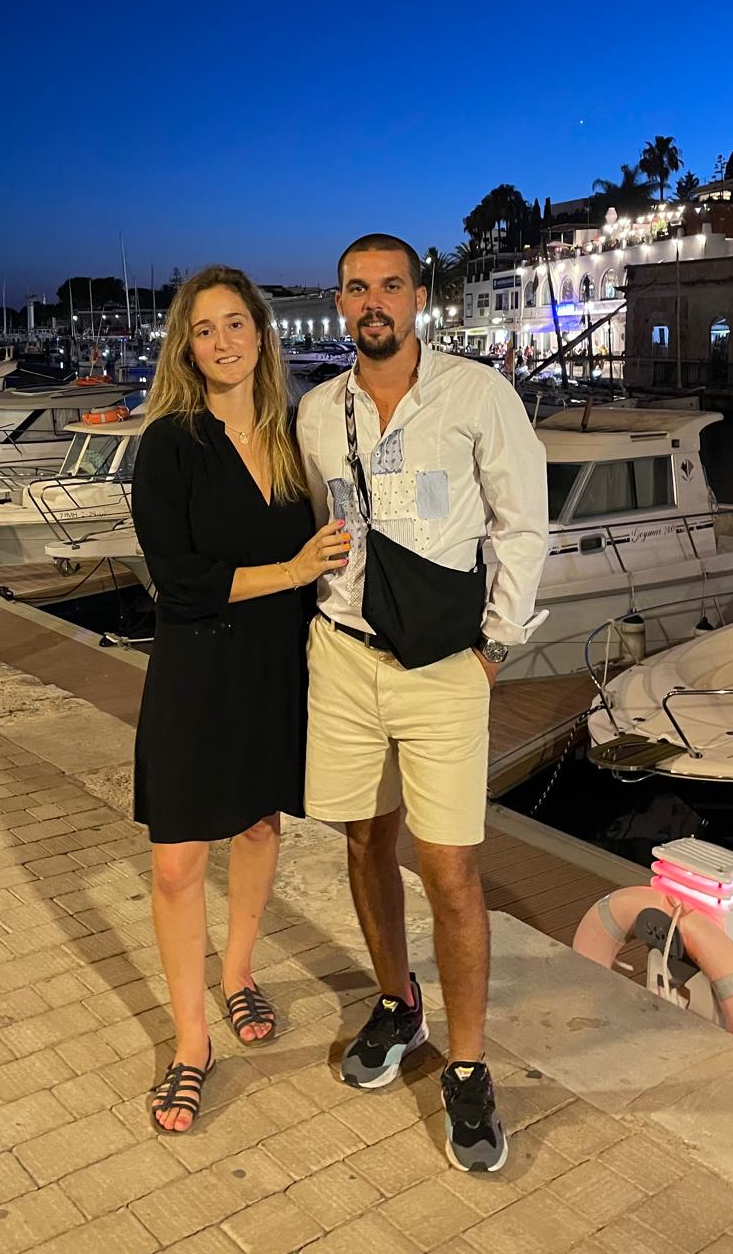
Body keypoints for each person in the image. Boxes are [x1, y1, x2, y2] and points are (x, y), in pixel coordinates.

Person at [297, 234, 549, 1174]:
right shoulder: (317, 411)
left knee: (450, 869)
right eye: (357, 288)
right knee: (365, 841)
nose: (374, 302)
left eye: (390, 286)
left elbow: (523, 523)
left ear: (418, 298)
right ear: (340, 302)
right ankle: (399, 1003)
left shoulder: (478, 394)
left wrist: (495, 647)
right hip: (344, 655)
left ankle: (469, 1067)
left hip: (446, 666)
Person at [132, 265, 350, 1133]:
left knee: (261, 825)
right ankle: (192, 1043)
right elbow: (179, 579)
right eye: (204, 329)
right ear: (186, 348)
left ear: (262, 333)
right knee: (176, 862)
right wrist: (291, 570)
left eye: (235, 323)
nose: (222, 341)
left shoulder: (297, 437)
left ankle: (238, 972)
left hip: (276, 665)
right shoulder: (170, 442)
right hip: (196, 666)